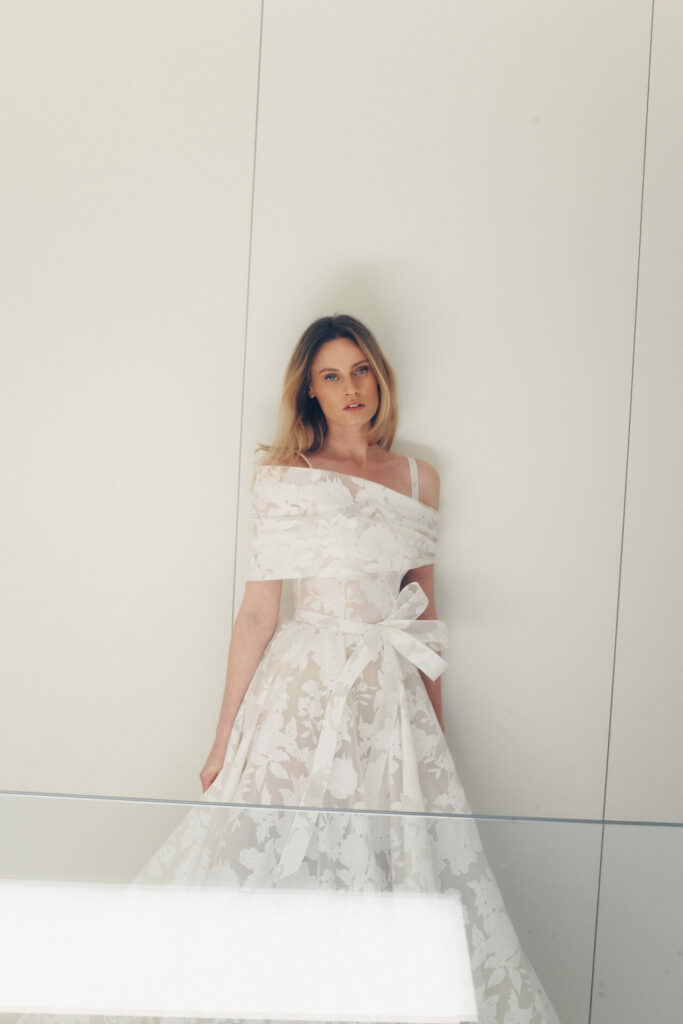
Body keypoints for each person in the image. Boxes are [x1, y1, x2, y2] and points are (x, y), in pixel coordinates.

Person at [16, 314, 563, 1024]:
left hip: (390, 697)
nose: (350, 388)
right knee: (266, 851)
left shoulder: (419, 478)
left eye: (360, 369)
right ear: (309, 391)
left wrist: (433, 731)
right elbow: (255, 615)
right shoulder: (285, 479)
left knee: (390, 866)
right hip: (305, 688)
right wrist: (221, 742)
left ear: (380, 376)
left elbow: (422, 607)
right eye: (331, 376)